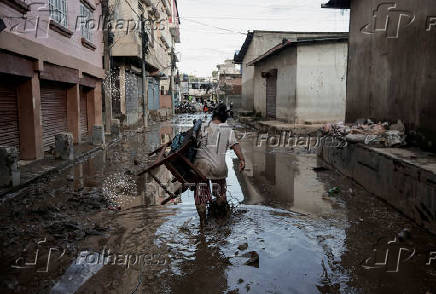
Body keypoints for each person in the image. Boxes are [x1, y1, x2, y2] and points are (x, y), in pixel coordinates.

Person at [193, 104, 245, 227]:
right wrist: (242, 160)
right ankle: (221, 221)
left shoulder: (203, 126)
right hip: (218, 168)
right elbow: (235, 147)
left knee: (200, 195)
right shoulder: (228, 130)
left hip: (201, 167)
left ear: (213, 115)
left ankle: (203, 222)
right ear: (224, 116)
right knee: (220, 193)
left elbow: (192, 143)